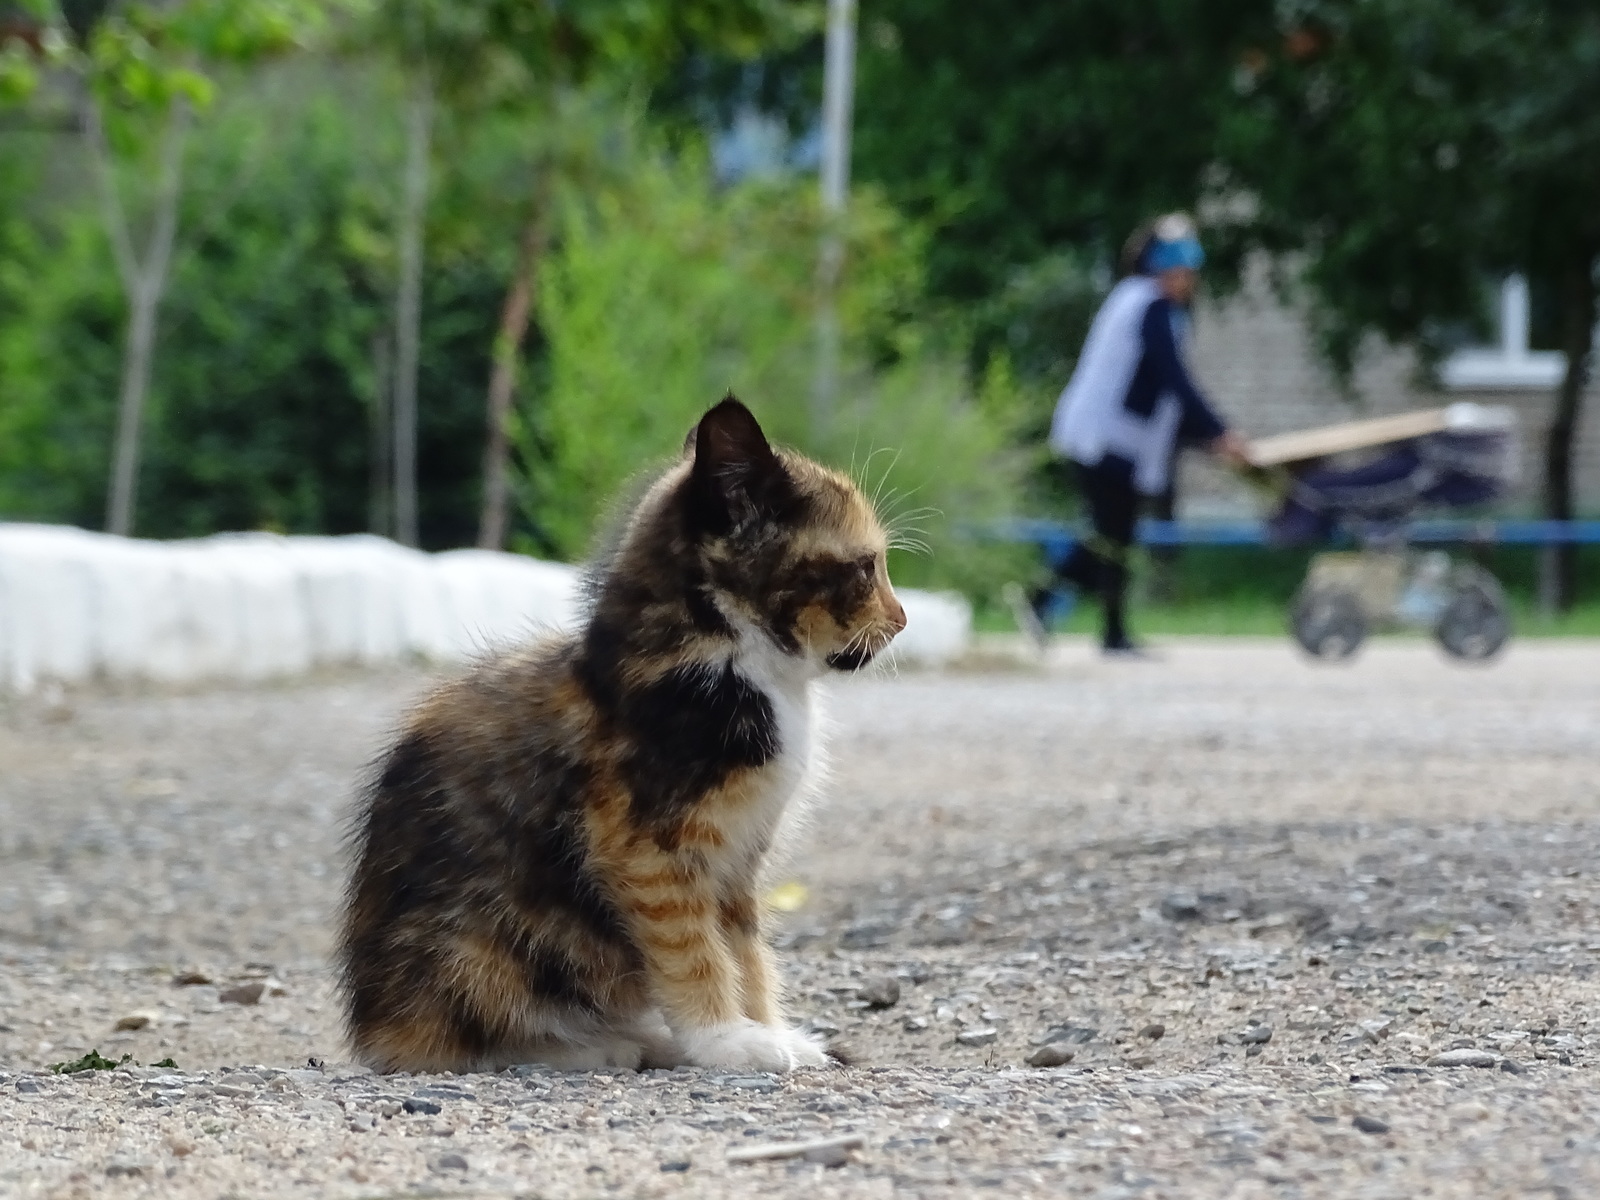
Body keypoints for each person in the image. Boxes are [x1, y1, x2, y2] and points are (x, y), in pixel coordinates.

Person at [1009, 213, 1250, 656]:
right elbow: (1174, 379)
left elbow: (1160, 395)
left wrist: (1207, 439)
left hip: (1113, 438)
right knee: (1109, 533)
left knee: (1116, 533)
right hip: (1103, 437)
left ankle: (1104, 628)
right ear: (1165, 269)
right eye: (1184, 273)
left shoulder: (1139, 303)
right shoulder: (1149, 306)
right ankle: (1045, 600)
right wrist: (1219, 433)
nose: (1189, 282)